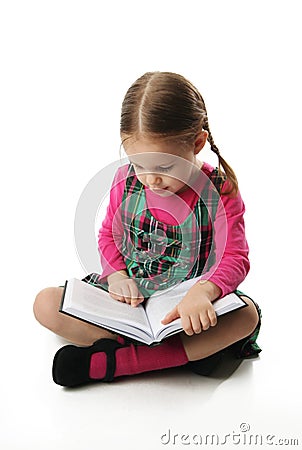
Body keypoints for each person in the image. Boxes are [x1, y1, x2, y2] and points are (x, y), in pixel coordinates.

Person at [33, 71, 262, 387]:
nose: (150, 178)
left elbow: (235, 256)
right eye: (139, 165)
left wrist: (203, 292)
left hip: (186, 306)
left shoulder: (219, 192)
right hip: (133, 300)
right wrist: (116, 274)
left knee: (246, 316)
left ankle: (118, 361)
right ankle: (175, 354)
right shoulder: (125, 182)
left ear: (197, 143)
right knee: (45, 303)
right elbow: (108, 235)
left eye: (164, 167)